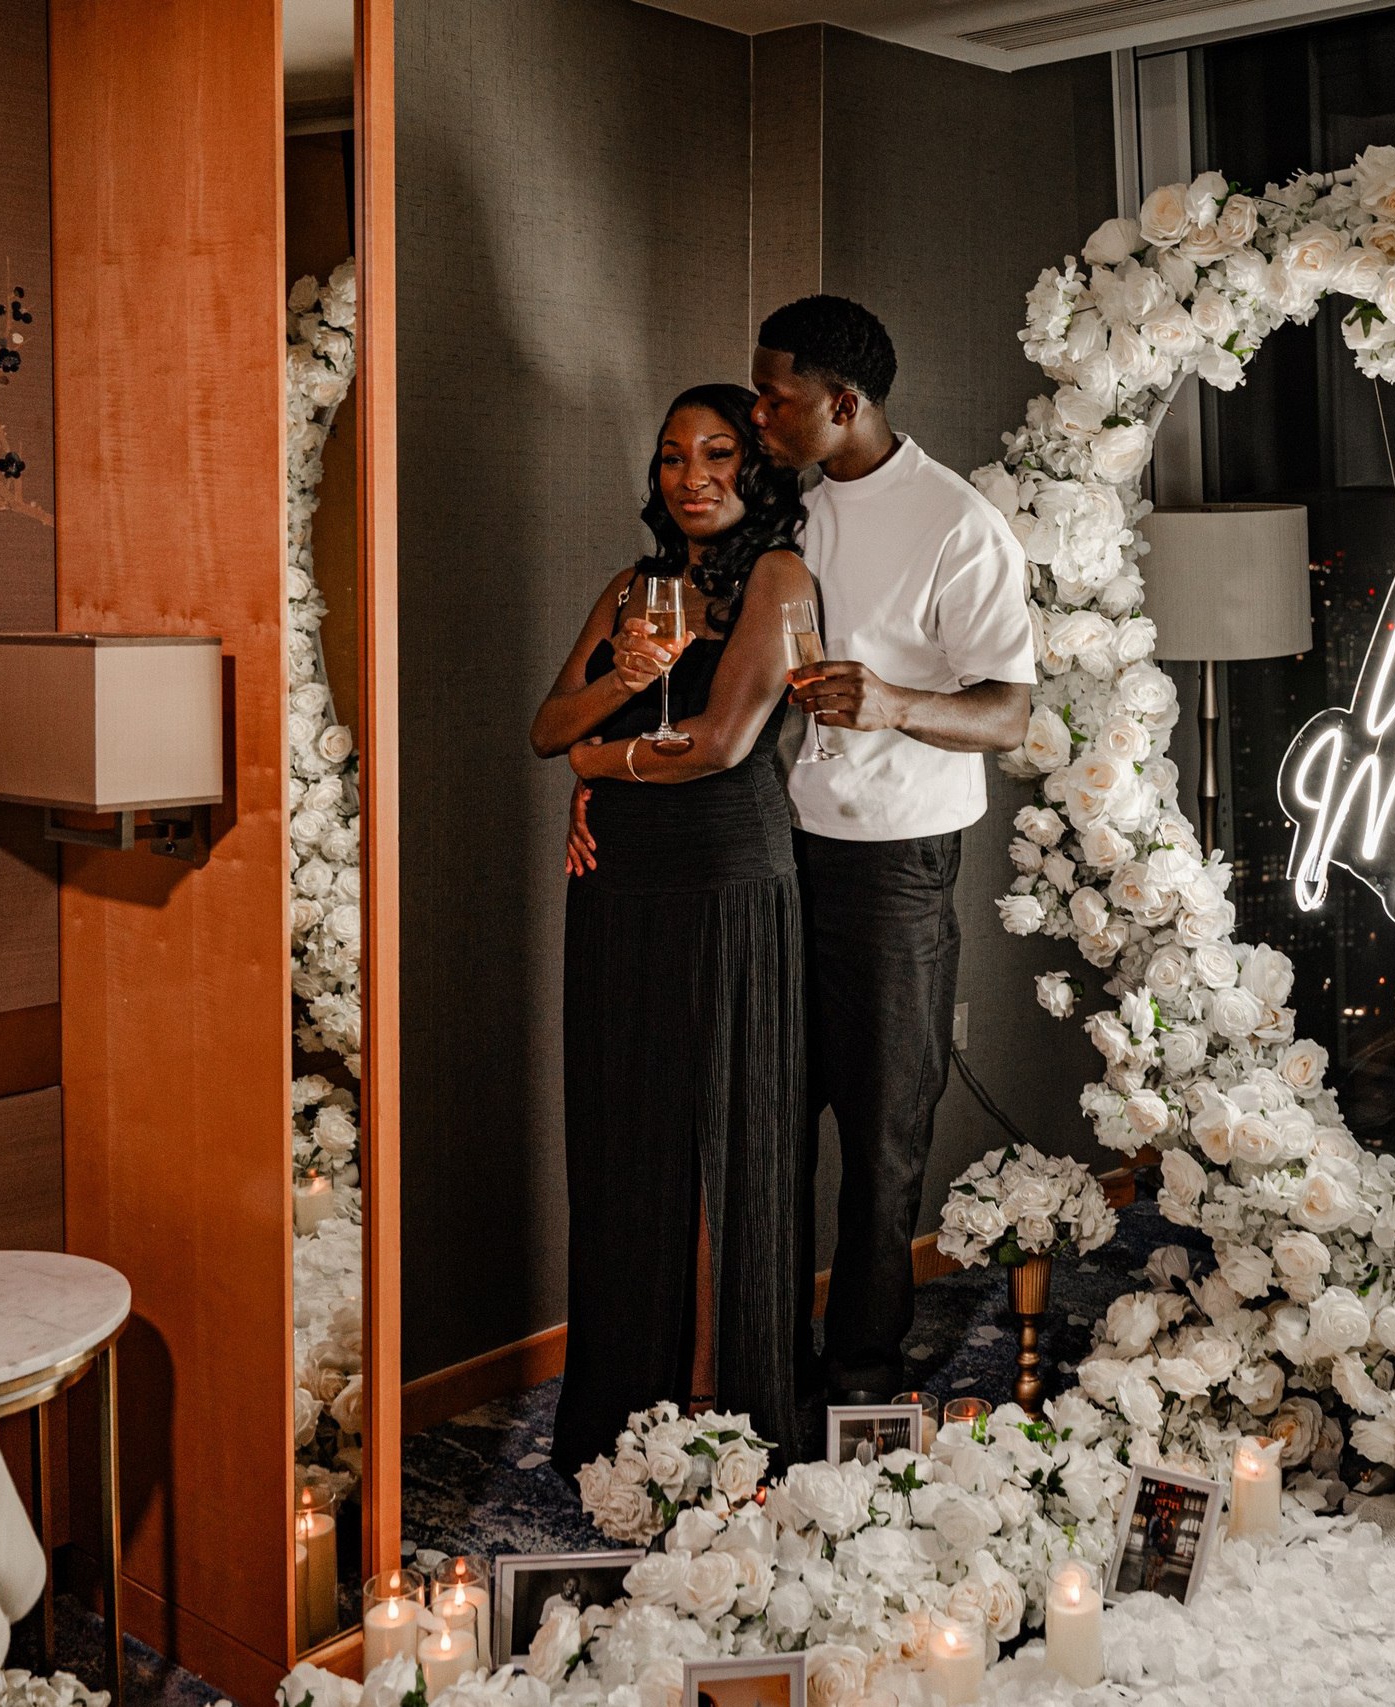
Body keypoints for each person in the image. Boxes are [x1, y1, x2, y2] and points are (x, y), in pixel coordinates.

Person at [748, 296, 1034, 1405]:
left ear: (844, 402)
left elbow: (1009, 713)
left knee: (880, 1145)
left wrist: (895, 700)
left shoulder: (957, 524)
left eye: (779, 396)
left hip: (896, 873)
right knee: (775, 1122)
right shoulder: (796, 508)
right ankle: (766, 1359)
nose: (763, 413)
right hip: (780, 858)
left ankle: (860, 1376)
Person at [531, 383, 812, 1473]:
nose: (691, 476)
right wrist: (620, 684)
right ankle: (628, 1399)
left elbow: (723, 743)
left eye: (717, 453)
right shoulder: (631, 586)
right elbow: (548, 727)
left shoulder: (782, 580)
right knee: (625, 1133)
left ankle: (723, 1405)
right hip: (616, 885)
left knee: (722, 1133)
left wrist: (600, 769)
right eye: (670, 458)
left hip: (725, 880)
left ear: (755, 467)